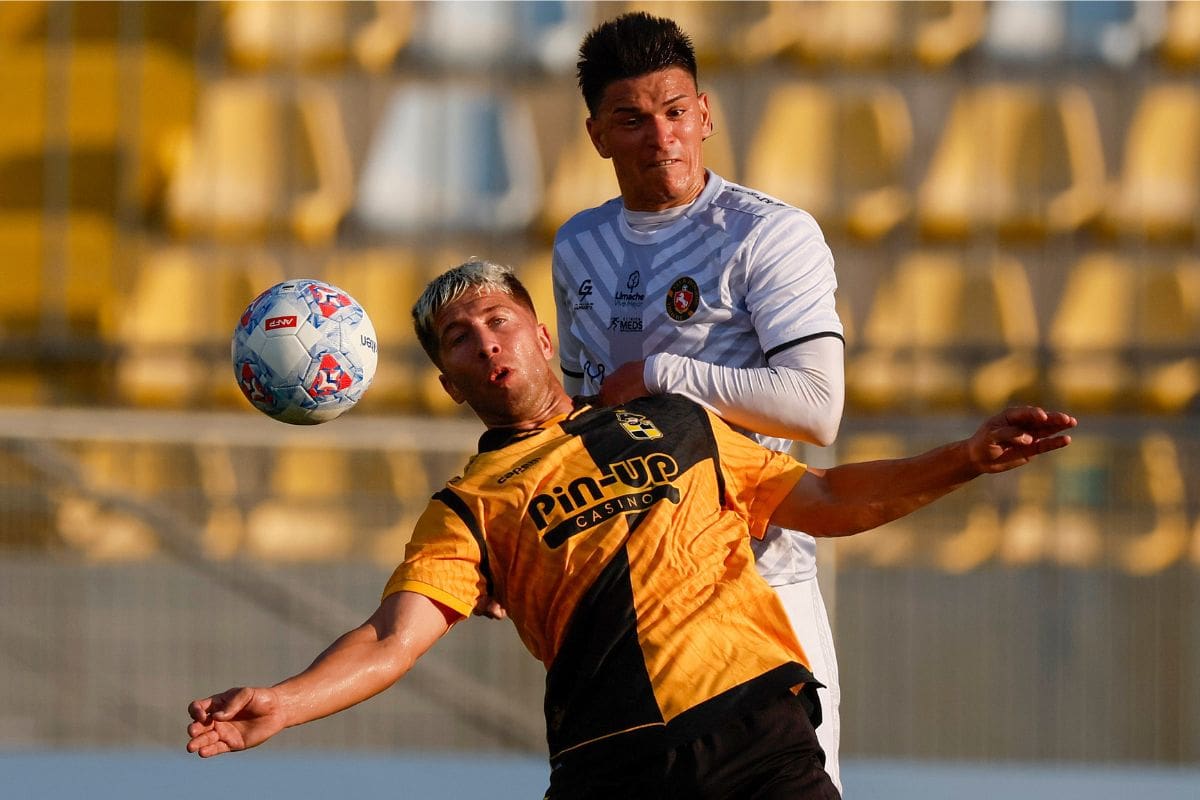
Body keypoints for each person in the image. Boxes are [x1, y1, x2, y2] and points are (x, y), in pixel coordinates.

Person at [187, 261, 1076, 799]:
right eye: (460, 340)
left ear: (542, 336)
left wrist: (965, 457)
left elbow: (829, 498)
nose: (486, 343)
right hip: (610, 769)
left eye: (499, 322)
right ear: (452, 385)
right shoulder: (470, 506)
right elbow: (392, 636)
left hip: (754, 736)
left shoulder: (679, 424)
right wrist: (286, 701)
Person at [551, 10, 851, 790]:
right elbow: (583, 421)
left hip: (758, 579)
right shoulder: (578, 244)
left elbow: (817, 408)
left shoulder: (768, 234)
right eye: (634, 119)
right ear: (597, 136)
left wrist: (664, 374)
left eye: (677, 111)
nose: (662, 136)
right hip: (636, 599)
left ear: (706, 113)